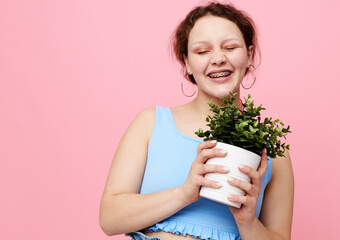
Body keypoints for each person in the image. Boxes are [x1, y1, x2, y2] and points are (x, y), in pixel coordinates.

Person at [99, 2, 294, 240]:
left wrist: (247, 220)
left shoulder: (271, 149)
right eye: (202, 52)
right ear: (188, 63)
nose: (218, 58)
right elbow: (110, 219)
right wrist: (184, 193)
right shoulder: (151, 123)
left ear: (249, 54)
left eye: (230, 47)